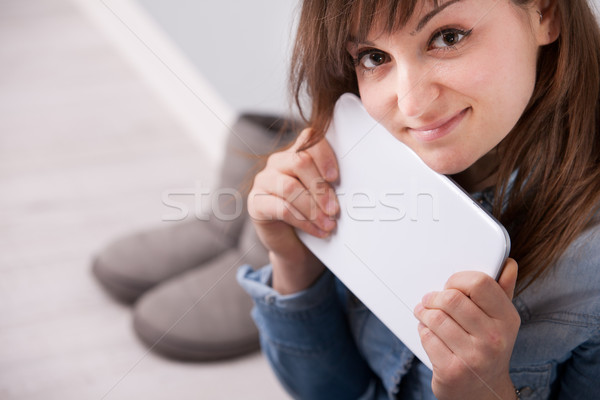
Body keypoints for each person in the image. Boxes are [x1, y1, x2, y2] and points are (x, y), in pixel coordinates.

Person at [237, 0, 600, 399]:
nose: (411, 105)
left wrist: (484, 390)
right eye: (374, 57)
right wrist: (294, 262)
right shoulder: (363, 152)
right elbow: (328, 391)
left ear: (545, 14)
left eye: (449, 37)